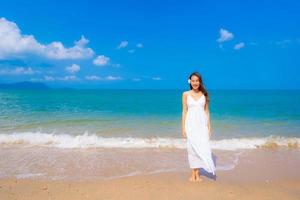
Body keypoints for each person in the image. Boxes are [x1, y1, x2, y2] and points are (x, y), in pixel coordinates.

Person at [181, 71, 216, 182]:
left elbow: (207, 111)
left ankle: (198, 173)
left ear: (200, 82)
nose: (195, 83)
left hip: (202, 125)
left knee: (201, 147)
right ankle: (193, 174)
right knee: (191, 148)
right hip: (190, 124)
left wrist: (209, 126)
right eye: (193, 81)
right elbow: (184, 111)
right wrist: (183, 127)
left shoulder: (204, 94)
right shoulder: (185, 94)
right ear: (190, 82)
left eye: (197, 81)